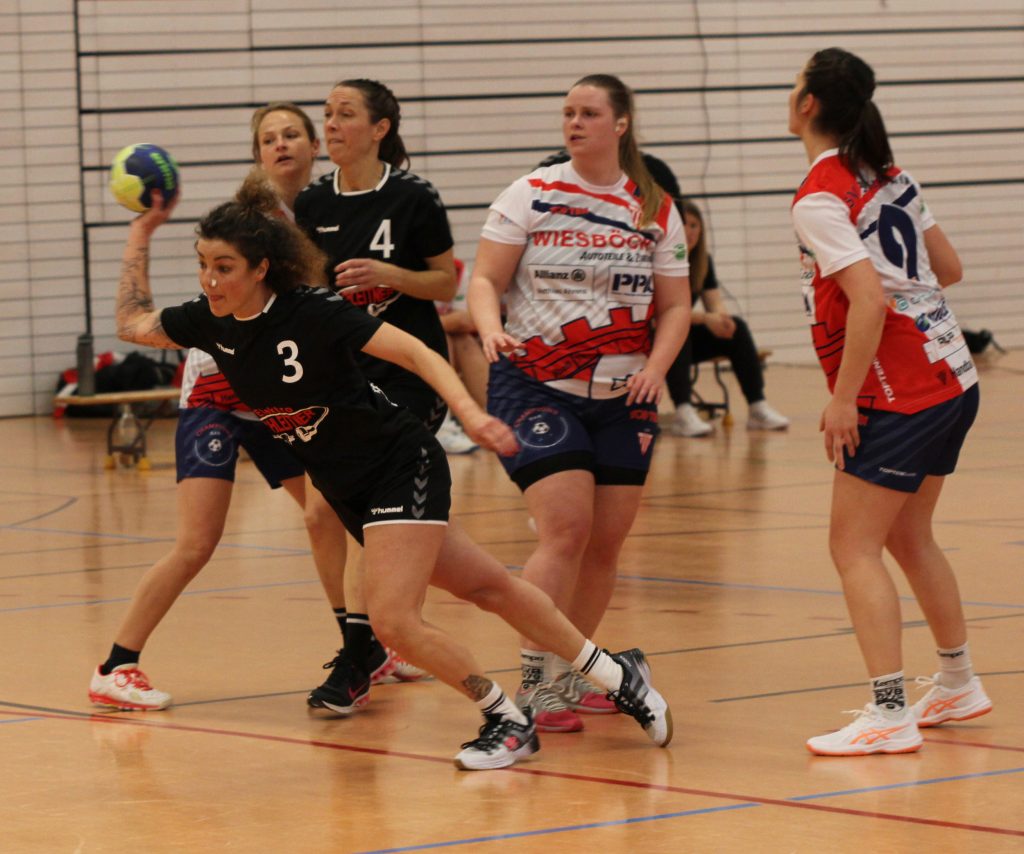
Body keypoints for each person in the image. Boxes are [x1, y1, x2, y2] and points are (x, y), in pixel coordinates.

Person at [111, 174, 674, 770]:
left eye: (224, 267)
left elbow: (417, 352)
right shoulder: (209, 320)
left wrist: (472, 416)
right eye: (203, 265)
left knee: (395, 622)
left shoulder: (313, 312)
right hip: (347, 484)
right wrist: (139, 232)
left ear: (262, 269)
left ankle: (506, 720)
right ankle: (619, 673)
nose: (210, 280)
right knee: (490, 588)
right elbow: (132, 323)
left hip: (399, 465)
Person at [87, 102, 361, 711]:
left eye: (293, 134)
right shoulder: (254, 219)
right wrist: (143, 232)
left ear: (317, 146)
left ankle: (360, 645)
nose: (282, 144)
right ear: (257, 155)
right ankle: (116, 665)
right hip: (217, 396)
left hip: (279, 405)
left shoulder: (324, 214)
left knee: (331, 515)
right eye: (269, 138)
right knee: (198, 542)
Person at [468, 74, 691, 733]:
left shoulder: (653, 205)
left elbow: (676, 307)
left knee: (604, 543)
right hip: (535, 383)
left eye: (589, 113)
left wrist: (656, 366)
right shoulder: (531, 192)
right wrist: (487, 324)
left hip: (626, 396)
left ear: (620, 124)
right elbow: (485, 277)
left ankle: (573, 676)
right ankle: (535, 680)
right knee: (565, 526)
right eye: (568, 112)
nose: (574, 122)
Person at [789, 47, 991, 756]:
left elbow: (869, 300)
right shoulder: (887, 174)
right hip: (953, 376)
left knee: (853, 547)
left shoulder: (821, 193)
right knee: (909, 536)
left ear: (808, 104)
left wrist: (845, 400)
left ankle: (889, 712)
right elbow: (950, 269)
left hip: (899, 391)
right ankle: (959, 682)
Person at [293, 79, 460, 705]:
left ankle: (362, 651)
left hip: (409, 374)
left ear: (380, 128)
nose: (331, 125)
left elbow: (444, 282)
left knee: (371, 508)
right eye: (327, 115)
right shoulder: (311, 204)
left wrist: (390, 276)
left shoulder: (413, 196)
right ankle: (363, 635)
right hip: (339, 377)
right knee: (318, 511)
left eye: (345, 114)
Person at [665, 199, 790, 437]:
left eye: (695, 226)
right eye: (684, 224)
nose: (690, 231)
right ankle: (683, 411)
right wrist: (705, 319)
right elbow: (663, 315)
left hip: (686, 333)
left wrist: (722, 320)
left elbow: (714, 302)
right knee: (678, 332)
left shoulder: (702, 261)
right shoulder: (663, 258)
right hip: (656, 338)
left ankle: (757, 407)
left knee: (738, 328)